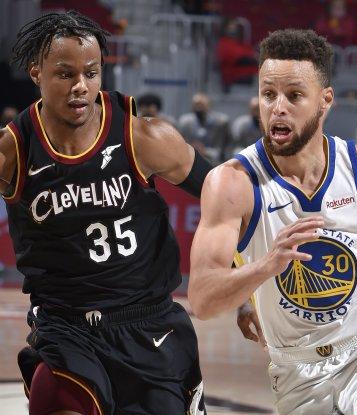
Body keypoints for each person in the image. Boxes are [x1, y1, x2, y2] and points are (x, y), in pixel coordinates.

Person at [189, 29, 357, 415]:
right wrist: (265, 267)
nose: (278, 107)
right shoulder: (232, 184)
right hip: (296, 367)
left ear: (325, 101)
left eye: (294, 95)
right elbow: (202, 299)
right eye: (268, 94)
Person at [1, 11, 211, 415]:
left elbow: (227, 196)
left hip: (150, 326)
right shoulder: (13, 152)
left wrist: (246, 285)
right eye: (65, 74)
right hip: (66, 330)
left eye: (92, 73)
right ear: (36, 73)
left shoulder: (143, 137)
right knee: (54, 400)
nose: (80, 86)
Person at [178, 92, 232, 164]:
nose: (198, 108)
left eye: (201, 105)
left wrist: (206, 151)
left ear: (208, 105)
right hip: (191, 155)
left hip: (214, 157)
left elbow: (227, 144)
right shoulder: (185, 122)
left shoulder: (221, 122)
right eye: (196, 104)